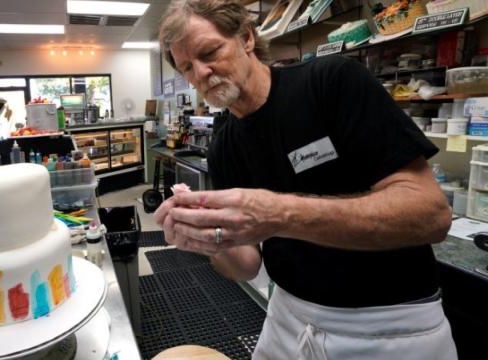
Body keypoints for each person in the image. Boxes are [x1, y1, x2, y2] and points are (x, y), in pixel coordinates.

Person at [154, 0, 458, 359]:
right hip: (288, 317)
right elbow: (247, 265)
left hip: (391, 326)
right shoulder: (225, 145)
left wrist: (279, 213)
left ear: (246, 38)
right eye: (188, 67)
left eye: (210, 52)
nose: (201, 73)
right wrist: (208, 240)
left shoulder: (330, 83)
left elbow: (431, 216)